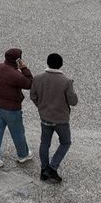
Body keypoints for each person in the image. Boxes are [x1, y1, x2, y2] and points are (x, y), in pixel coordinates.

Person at [30, 52, 78, 183]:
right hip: (61, 119)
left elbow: (33, 96)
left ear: (48, 63)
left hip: (45, 117)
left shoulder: (37, 78)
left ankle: (43, 169)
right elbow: (73, 101)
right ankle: (52, 168)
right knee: (65, 142)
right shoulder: (66, 81)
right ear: (61, 64)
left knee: (45, 143)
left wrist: (41, 107)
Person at [0, 47, 33, 169]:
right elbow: (30, 83)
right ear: (18, 60)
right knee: (18, 133)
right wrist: (24, 68)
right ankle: (23, 155)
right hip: (12, 109)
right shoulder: (16, 75)